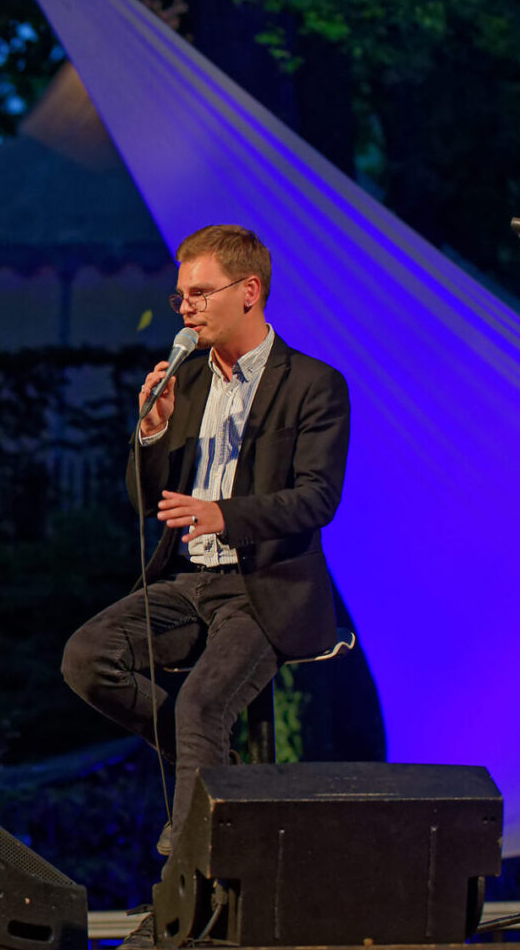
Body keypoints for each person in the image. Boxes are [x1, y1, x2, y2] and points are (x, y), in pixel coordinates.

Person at [60, 224, 351, 895]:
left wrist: (227, 514)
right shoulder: (186, 383)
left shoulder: (312, 384)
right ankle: (212, 767)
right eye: (179, 297)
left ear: (248, 292)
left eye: (199, 293)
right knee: (86, 658)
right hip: (190, 580)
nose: (185, 307)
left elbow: (316, 499)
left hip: (263, 586)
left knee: (201, 707)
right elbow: (146, 502)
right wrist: (152, 430)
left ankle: (183, 889)